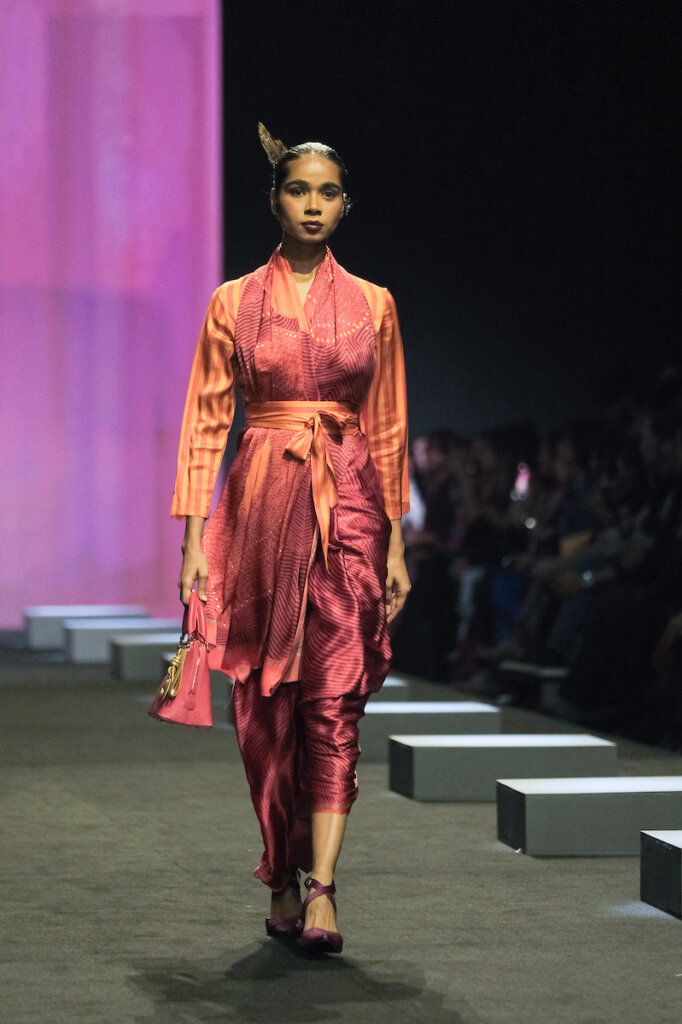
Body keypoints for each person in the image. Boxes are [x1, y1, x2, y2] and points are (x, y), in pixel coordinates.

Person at [170, 124, 411, 953]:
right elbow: (205, 423)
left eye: (327, 192)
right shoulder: (232, 301)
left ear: (345, 206)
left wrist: (396, 542)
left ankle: (323, 889)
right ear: (274, 200)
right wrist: (193, 539)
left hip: (349, 503)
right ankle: (280, 867)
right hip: (261, 504)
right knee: (264, 706)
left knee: (335, 697)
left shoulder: (374, 304)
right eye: (299, 190)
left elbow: (388, 426)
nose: (313, 204)